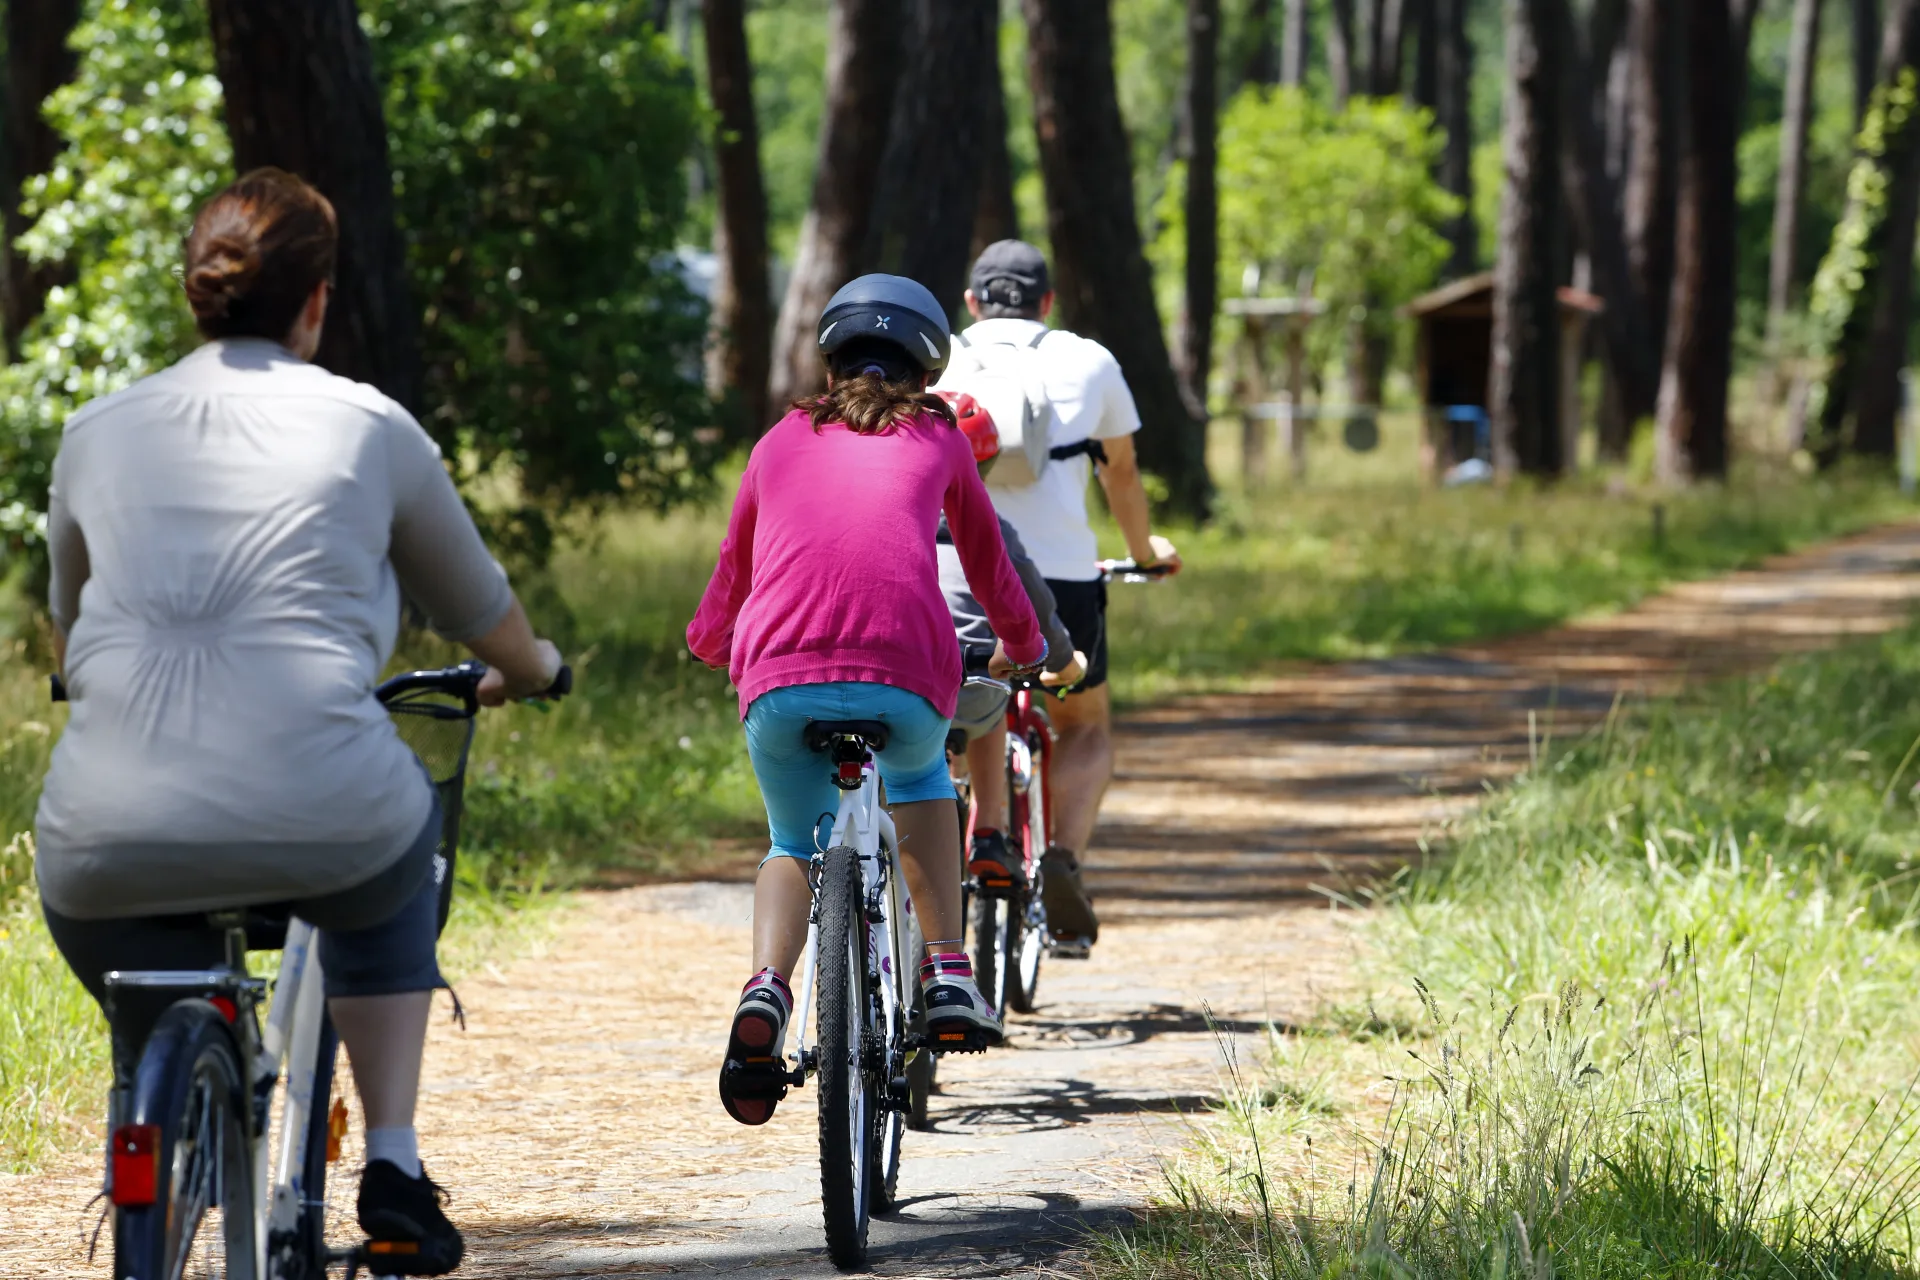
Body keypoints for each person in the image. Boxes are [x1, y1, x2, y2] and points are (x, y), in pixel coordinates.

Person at [35, 168, 566, 1275]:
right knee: (395, 858)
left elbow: (67, 633)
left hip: (103, 834)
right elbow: (485, 613)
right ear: (316, 302)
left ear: (197, 291)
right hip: (327, 812)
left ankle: (151, 1121)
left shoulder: (94, 432)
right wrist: (534, 668)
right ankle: (394, 1161)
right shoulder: (369, 426)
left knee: (147, 980)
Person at [688, 274, 1048, 1127]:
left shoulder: (779, 439)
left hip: (778, 675)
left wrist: (710, 643)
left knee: (789, 839)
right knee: (923, 782)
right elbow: (990, 563)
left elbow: (734, 569)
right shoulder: (940, 435)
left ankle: (769, 989)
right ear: (927, 365)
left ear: (832, 353)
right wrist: (1026, 647)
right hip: (903, 672)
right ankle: (950, 970)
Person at [937, 240, 1182, 952]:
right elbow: (1123, 475)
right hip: (1066, 577)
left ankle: (955, 845)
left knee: (947, 712)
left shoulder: (939, 359)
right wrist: (1143, 553)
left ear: (972, 301)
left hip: (951, 567)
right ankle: (1063, 857)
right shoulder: (1089, 360)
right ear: (1047, 302)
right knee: (1085, 724)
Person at [935, 390, 1083, 895]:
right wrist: (1061, 659)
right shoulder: (990, 527)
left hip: (889, 677)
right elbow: (1033, 602)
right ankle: (989, 833)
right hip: (968, 686)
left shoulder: (879, 519)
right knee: (992, 712)